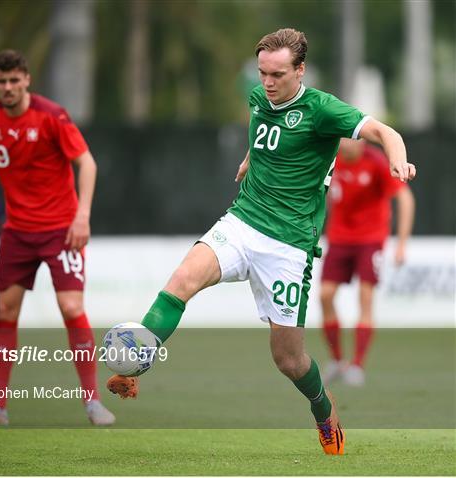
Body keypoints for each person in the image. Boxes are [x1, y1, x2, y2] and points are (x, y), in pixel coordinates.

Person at [107, 28, 416, 455]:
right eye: (262, 73)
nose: (267, 83)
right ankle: (132, 369)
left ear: (300, 70)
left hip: (288, 246)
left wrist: (398, 161)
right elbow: (264, 132)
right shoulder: (258, 98)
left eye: (277, 74)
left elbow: (385, 132)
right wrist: (250, 158)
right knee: (181, 280)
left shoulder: (322, 109)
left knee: (288, 360)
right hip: (242, 222)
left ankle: (324, 410)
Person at [0, 49, 115, 427]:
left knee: (72, 308)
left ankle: (92, 402)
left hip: (61, 230)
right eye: (1, 82)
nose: (8, 88)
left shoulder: (51, 115)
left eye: (14, 80)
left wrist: (82, 216)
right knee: (5, 311)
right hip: (18, 232)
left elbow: (86, 161)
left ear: (26, 80)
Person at [320, 138, 415, 386]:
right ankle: (338, 360)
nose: (344, 144)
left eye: (349, 138)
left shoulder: (376, 161)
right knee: (325, 296)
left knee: (365, 297)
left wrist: (402, 244)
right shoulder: (331, 158)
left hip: (370, 240)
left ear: (361, 141)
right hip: (339, 238)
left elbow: (405, 199)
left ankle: (357, 365)